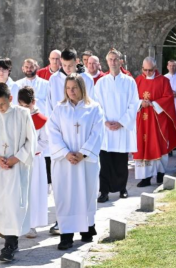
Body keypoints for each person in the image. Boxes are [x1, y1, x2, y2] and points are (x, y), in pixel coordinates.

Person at [48, 75, 104, 250]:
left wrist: (83, 153)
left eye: (74, 88)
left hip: (85, 162)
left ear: (82, 88)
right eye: (68, 88)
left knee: (86, 193)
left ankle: (87, 227)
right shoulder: (59, 109)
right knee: (65, 196)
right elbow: (53, 132)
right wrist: (66, 153)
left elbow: (97, 133)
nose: (71, 91)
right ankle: (66, 234)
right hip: (65, 163)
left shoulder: (94, 108)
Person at [0, 83, 35, 262]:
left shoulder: (23, 114)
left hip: (16, 167)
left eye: (3, 104)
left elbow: (30, 140)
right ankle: (6, 235)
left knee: (13, 204)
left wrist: (16, 158)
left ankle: (10, 245)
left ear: (10, 99)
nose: (0, 108)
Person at [92, 49, 139, 202]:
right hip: (106, 128)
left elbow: (133, 104)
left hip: (121, 128)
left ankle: (122, 188)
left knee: (121, 161)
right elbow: (96, 104)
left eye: (115, 59)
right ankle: (104, 191)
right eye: (110, 59)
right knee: (105, 162)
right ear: (107, 62)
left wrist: (122, 122)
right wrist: (104, 121)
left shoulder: (129, 81)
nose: (113, 62)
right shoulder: (101, 82)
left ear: (120, 61)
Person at [134, 57, 176, 187]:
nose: (147, 73)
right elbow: (131, 99)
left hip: (158, 120)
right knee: (142, 146)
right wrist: (140, 103)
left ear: (155, 68)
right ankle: (145, 177)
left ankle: (160, 173)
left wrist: (153, 103)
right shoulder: (138, 80)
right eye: (145, 70)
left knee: (159, 145)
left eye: (150, 70)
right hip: (142, 120)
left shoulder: (164, 81)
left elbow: (169, 98)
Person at [17, 86, 49, 238]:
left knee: (34, 192)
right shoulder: (17, 117)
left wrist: (29, 149)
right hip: (19, 160)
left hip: (35, 160)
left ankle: (32, 225)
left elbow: (45, 141)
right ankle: (18, 223)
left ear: (33, 102)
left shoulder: (41, 120)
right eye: (21, 106)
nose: (25, 109)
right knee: (20, 192)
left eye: (27, 106)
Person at [48, 48, 94, 113]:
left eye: (70, 65)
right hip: (59, 120)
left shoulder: (87, 78)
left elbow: (91, 101)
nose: (67, 68)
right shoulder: (54, 79)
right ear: (61, 60)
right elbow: (49, 104)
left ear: (77, 61)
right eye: (64, 65)